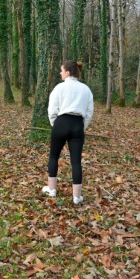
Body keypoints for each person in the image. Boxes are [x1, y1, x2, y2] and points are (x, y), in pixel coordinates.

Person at [43, 60, 94, 204]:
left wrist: (56, 125)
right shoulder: (86, 89)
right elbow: (89, 111)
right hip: (78, 124)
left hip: (61, 123)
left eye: (61, 70)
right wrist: (82, 127)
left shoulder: (59, 88)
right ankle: (77, 197)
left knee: (54, 156)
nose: (60, 73)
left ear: (68, 72)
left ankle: (52, 189)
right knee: (76, 162)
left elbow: (52, 110)